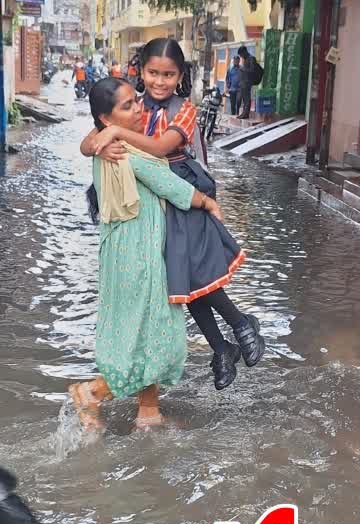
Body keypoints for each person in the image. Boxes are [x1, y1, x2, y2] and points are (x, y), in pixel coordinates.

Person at [79, 38, 265, 391]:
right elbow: (90, 137)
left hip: (183, 193)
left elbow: (162, 147)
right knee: (180, 283)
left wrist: (116, 132)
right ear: (141, 71)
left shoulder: (183, 110)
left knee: (193, 277)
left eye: (168, 74)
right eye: (152, 73)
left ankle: (240, 325)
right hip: (154, 203)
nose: (159, 81)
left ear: (180, 75)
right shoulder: (130, 103)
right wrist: (99, 143)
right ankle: (222, 346)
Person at [69, 78, 225, 432]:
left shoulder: (108, 142)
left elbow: (91, 142)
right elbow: (170, 186)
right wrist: (207, 201)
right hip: (139, 256)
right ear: (107, 120)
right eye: (126, 106)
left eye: (134, 101)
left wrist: (97, 140)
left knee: (144, 330)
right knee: (153, 334)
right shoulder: (122, 149)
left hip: (126, 251)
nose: (137, 108)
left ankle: (149, 413)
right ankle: (91, 392)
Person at [237, 47, 262, 119]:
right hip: (244, 82)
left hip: (248, 82)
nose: (241, 56)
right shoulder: (246, 59)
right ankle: (244, 113)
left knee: (247, 98)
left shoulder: (251, 58)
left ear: (245, 52)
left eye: (241, 54)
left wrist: (243, 69)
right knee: (244, 99)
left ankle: (246, 114)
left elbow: (252, 70)